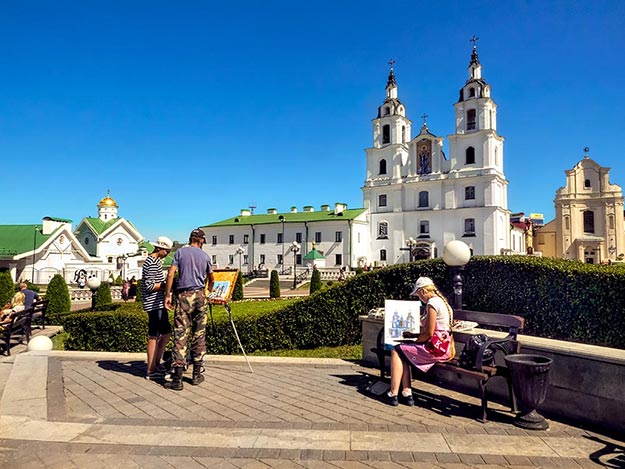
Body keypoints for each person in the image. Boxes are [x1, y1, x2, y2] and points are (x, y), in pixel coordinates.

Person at [381, 277, 454, 406]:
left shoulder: (432, 304)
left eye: (418, 294)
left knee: (397, 350)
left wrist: (416, 342)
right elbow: (437, 331)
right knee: (405, 352)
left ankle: (393, 394)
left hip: (434, 349)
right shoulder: (443, 302)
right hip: (444, 348)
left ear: (423, 291)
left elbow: (429, 333)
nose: (419, 298)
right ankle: (406, 392)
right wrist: (414, 335)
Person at [164, 228, 214, 391]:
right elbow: (211, 278)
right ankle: (197, 374)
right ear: (201, 241)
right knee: (199, 334)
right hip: (200, 296)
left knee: (181, 334)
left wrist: (168, 295)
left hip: (183, 296)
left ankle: (177, 379)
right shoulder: (205, 256)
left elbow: (171, 274)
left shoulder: (180, 253)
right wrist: (208, 291)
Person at [142, 236, 173, 380]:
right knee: (154, 335)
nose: (167, 253)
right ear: (159, 249)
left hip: (158, 303)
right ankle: (151, 368)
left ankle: (155, 364)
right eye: (166, 251)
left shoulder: (155, 262)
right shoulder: (152, 262)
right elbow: (149, 286)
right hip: (154, 304)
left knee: (164, 333)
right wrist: (166, 286)